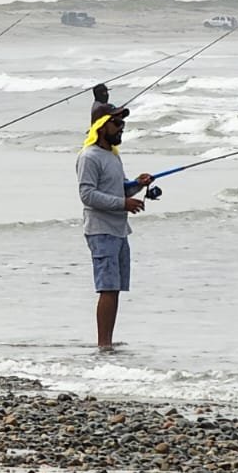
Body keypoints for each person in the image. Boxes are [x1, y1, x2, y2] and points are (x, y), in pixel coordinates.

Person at [76, 103, 155, 352]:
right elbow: (87, 195)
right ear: (102, 126)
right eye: (117, 123)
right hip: (101, 230)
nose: (121, 129)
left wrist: (138, 185)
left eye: (123, 124)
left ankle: (108, 341)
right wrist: (123, 203)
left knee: (116, 289)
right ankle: (103, 345)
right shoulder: (89, 157)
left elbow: (119, 188)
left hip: (119, 230)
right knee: (107, 288)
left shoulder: (113, 155)